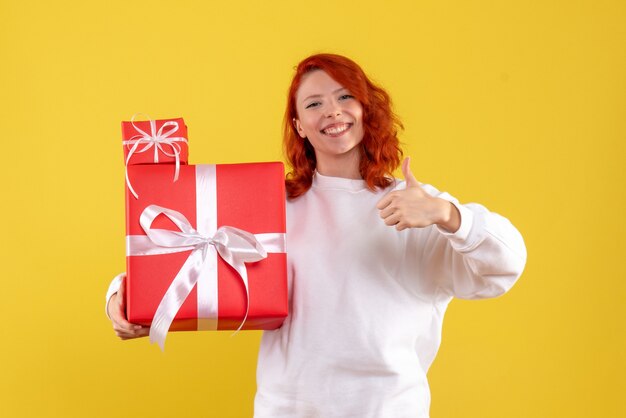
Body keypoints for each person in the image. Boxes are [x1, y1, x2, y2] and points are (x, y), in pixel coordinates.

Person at [106, 53, 527, 417]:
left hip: (389, 409)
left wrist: (448, 214)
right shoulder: (271, 206)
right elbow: (185, 249)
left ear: (367, 109)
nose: (332, 111)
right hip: (287, 409)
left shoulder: (417, 205)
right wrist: (122, 302)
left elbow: (507, 264)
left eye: (345, 97)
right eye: (314, 103)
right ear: (300, 125)